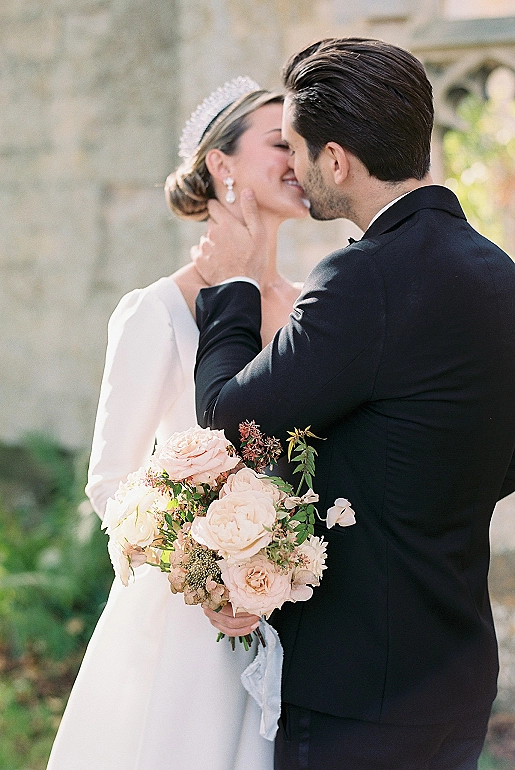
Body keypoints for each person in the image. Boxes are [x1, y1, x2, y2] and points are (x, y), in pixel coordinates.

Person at [192, 39, 515, 770]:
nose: (297, 169)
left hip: (359, 694)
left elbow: (229, 421)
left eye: (301, 149)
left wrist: (234, 290)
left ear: (336, 161)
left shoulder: (362, 277)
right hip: (459, 680)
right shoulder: (500, 273)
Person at [45, 78, 310, 770]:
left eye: (303, 144)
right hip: (187, 626)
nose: (300, 157)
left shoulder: (314, 308)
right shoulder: (157, 312)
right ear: (221, 166)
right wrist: (211, 577)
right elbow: (110, 483)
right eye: (280, 142)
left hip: (297, 614)